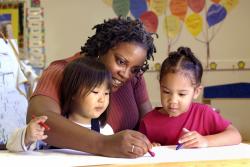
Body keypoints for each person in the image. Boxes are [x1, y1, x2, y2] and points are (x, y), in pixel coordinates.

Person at [27, 17, 156, 158]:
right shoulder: (62, 71)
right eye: (120, 61)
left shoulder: (134, 78)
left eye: (134, 69)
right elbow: (40, 119)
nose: (125, 74)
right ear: (102, 48)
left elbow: (151, 124)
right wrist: (104, 144)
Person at [139, 47, 242, 148]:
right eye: (166, 92)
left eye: (182, 94)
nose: (173, 101)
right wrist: (149, 147)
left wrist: (205, 141)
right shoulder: (148, 122)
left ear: (196, 92)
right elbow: (142, 150)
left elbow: (235, 135)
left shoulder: (204, 113)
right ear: (160, 86)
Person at [7, 57, 114, 152]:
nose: (102, 99)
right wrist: (27, 135)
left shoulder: (106, 130)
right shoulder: (48, 127)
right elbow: (11, 146)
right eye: (95, 92)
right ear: (73, 92)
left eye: (106, 93)